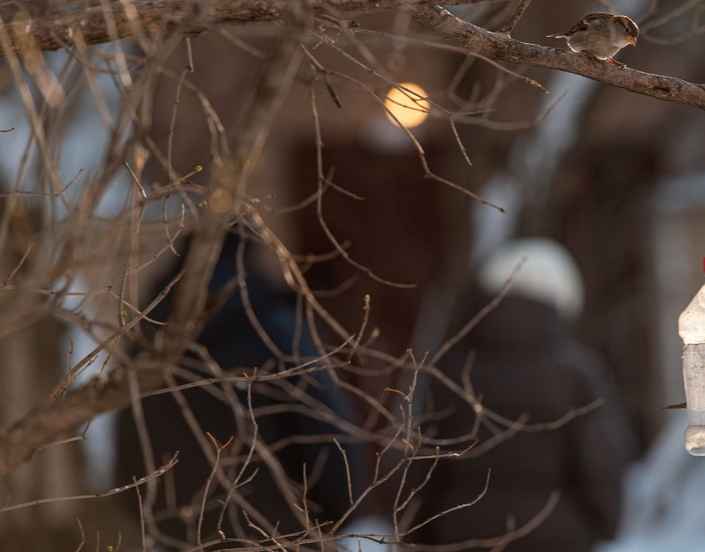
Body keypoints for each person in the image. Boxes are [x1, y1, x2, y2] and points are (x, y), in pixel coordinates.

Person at [115, 232, 364, 544]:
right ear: (248, 258)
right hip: (280, 535)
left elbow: (126, 469)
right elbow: (329, 436)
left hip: (183, 541)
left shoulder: (143, 349)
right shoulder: (274, 330)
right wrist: (336, 515)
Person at [414, 238, 633, 551]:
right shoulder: (575, 373)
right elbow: (600, 464)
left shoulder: (448, 368)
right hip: (556, 536)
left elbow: (422, 466)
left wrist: (412, 534)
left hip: (461, 537)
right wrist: (608, 523)